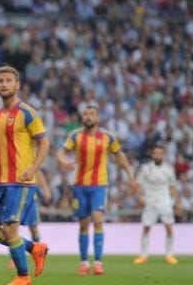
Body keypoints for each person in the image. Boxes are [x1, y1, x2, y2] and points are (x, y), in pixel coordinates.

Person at [0, 66, 50, 285]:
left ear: (17, 85)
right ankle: (35, 248)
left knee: (9, 229)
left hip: (20, 181)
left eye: (8, 80)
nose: (4, 84)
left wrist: (34, 168)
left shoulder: (27, 112)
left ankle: (23, 277)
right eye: (0, 81)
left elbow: (44, 142)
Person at [56, 104, 137, 275]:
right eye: (85, 114)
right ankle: (84, 262)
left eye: (91, 114)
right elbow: (61, 152)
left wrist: (130, 175)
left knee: (98, 220)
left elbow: (119, 155)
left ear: (97, 118)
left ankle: (98, 262)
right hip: (80, 186)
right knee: (84, 224)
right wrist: (63, 161)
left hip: (99, 185)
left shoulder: (108, 137)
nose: (88, 116)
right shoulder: (75, 135)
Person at [133, 144, 180, 265]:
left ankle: (169, 255)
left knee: (169, 228)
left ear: (164, 155)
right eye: (156, 153)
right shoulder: (146, 168)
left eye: (160, 153)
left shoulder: (169, 169)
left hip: (165, 201)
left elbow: (173, 186)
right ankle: (143, 255)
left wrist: (177, 202)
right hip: (150, 201)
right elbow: (138, 185)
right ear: (152, 155)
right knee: (146, 227)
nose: (158, 155)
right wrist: (140, 197)